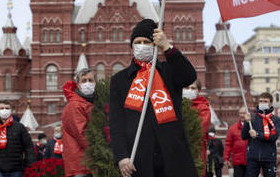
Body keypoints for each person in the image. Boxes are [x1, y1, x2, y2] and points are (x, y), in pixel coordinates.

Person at [109, 19, 198, 177]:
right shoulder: (120, 80)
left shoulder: (168, 72)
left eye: (147, 42)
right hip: (138, 158)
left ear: (155, 45)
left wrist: (167, 48)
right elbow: (116, 122)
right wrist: (121, 157)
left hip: (172, 154)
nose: (142, 45)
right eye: (138, 42)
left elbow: (189, 76)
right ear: (132, 46)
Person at [0, 101, 36, 177]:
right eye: (1, 108)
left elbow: (29, 148)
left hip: (16, 169)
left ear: (11, 110)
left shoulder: (20, 127)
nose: (4, 110)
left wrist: (31, 167)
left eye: (7, 108)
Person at [62, 68, 95, 177]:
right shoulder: (75, 105)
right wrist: (99, 151)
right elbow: (82, 134)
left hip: (86, 162)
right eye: (84, 81)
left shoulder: (87, 102)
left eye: (91, 80)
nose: (88, 84)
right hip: (81, 163)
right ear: (78, 84)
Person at [242, 92, 280, 177]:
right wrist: (246, 122)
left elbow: (274, 136)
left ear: (270, 103)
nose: (262, 103)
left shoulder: (276, 120)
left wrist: (258, 135)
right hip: (253, 157)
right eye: (261, 101)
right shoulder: (253, 118)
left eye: (265, 101)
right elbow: (243, 136)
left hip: (269, 157)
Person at [183, 79, 211, 177]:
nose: (189, 90)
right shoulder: (176, 104)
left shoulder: (203, 107)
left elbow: (201, 128)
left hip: (196, 148)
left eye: (193, 88)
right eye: (186, 88)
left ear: (198, 91)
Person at [223, 107, 248, 177]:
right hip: (238, 160)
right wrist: (226, 158)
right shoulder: (232, 128)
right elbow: (228, 144)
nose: (242, 115)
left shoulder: (253, 127)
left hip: (250, 160)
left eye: (244, 113)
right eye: (241, 113)